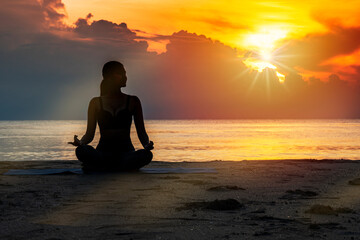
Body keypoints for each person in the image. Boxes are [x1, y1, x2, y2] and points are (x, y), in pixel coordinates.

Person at [68, 61, 153, 171]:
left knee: (146, 155)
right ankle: (117, 167)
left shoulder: (133, 101)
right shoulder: (95, 103)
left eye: (125, 74)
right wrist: (81, 142)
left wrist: (147, 145)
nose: (125, 77)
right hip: (102, 153)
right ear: (110, 77)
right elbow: (89, 134)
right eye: (122, 74)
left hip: (126, 153)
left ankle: (105, 166)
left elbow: (141, 132)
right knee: (81, 151)